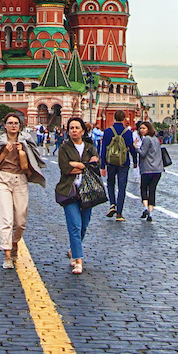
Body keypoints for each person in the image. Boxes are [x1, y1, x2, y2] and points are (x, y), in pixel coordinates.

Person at [0, 112, 48, 269]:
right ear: (5, 125)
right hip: (2, 179)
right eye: (10, 123)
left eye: (16, 123)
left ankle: (14, 242)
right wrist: (4, 152)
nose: (13, 126)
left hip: (20, 180)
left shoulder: (26, 141)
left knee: (21, 220)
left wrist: (22, 152)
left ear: (20, 126)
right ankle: (8, 255)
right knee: (5, 219)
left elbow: (26, 167)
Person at [57, 116, 101, 274]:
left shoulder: (90, 146)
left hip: (87, 191)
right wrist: (86, 165)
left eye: (77, 128)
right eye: (71, 128)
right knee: (74, 226)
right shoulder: (64, 148)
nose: (74, 130)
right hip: (69, 191)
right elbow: (65, 168)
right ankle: (78, 260)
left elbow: (96, 165)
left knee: (84, 225)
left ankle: (73, 250)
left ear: (83, 130)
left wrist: (77, 165)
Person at [98, 110, 137, 221]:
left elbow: (103, 148)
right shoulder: (127, 132)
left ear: (114, 117)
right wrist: (135, 161)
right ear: (124, 118)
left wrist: (102, 165)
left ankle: (112, 204)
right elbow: (131, 148)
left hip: (110, 162)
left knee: (110, 184)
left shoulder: (108, 131)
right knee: (122, 187)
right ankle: (119, 213)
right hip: (123, 162)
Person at [134, 120, 163, 221]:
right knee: (152, 190)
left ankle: (146, 208)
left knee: (143, 189)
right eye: (140, 128)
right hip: (157, 169)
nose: (141, 130)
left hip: (147, 169)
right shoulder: (156, 139)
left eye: (143, 128)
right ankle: (150, 213)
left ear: (148, 129)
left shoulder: (146, 139)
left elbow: (142, 153)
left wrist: (135, 147)